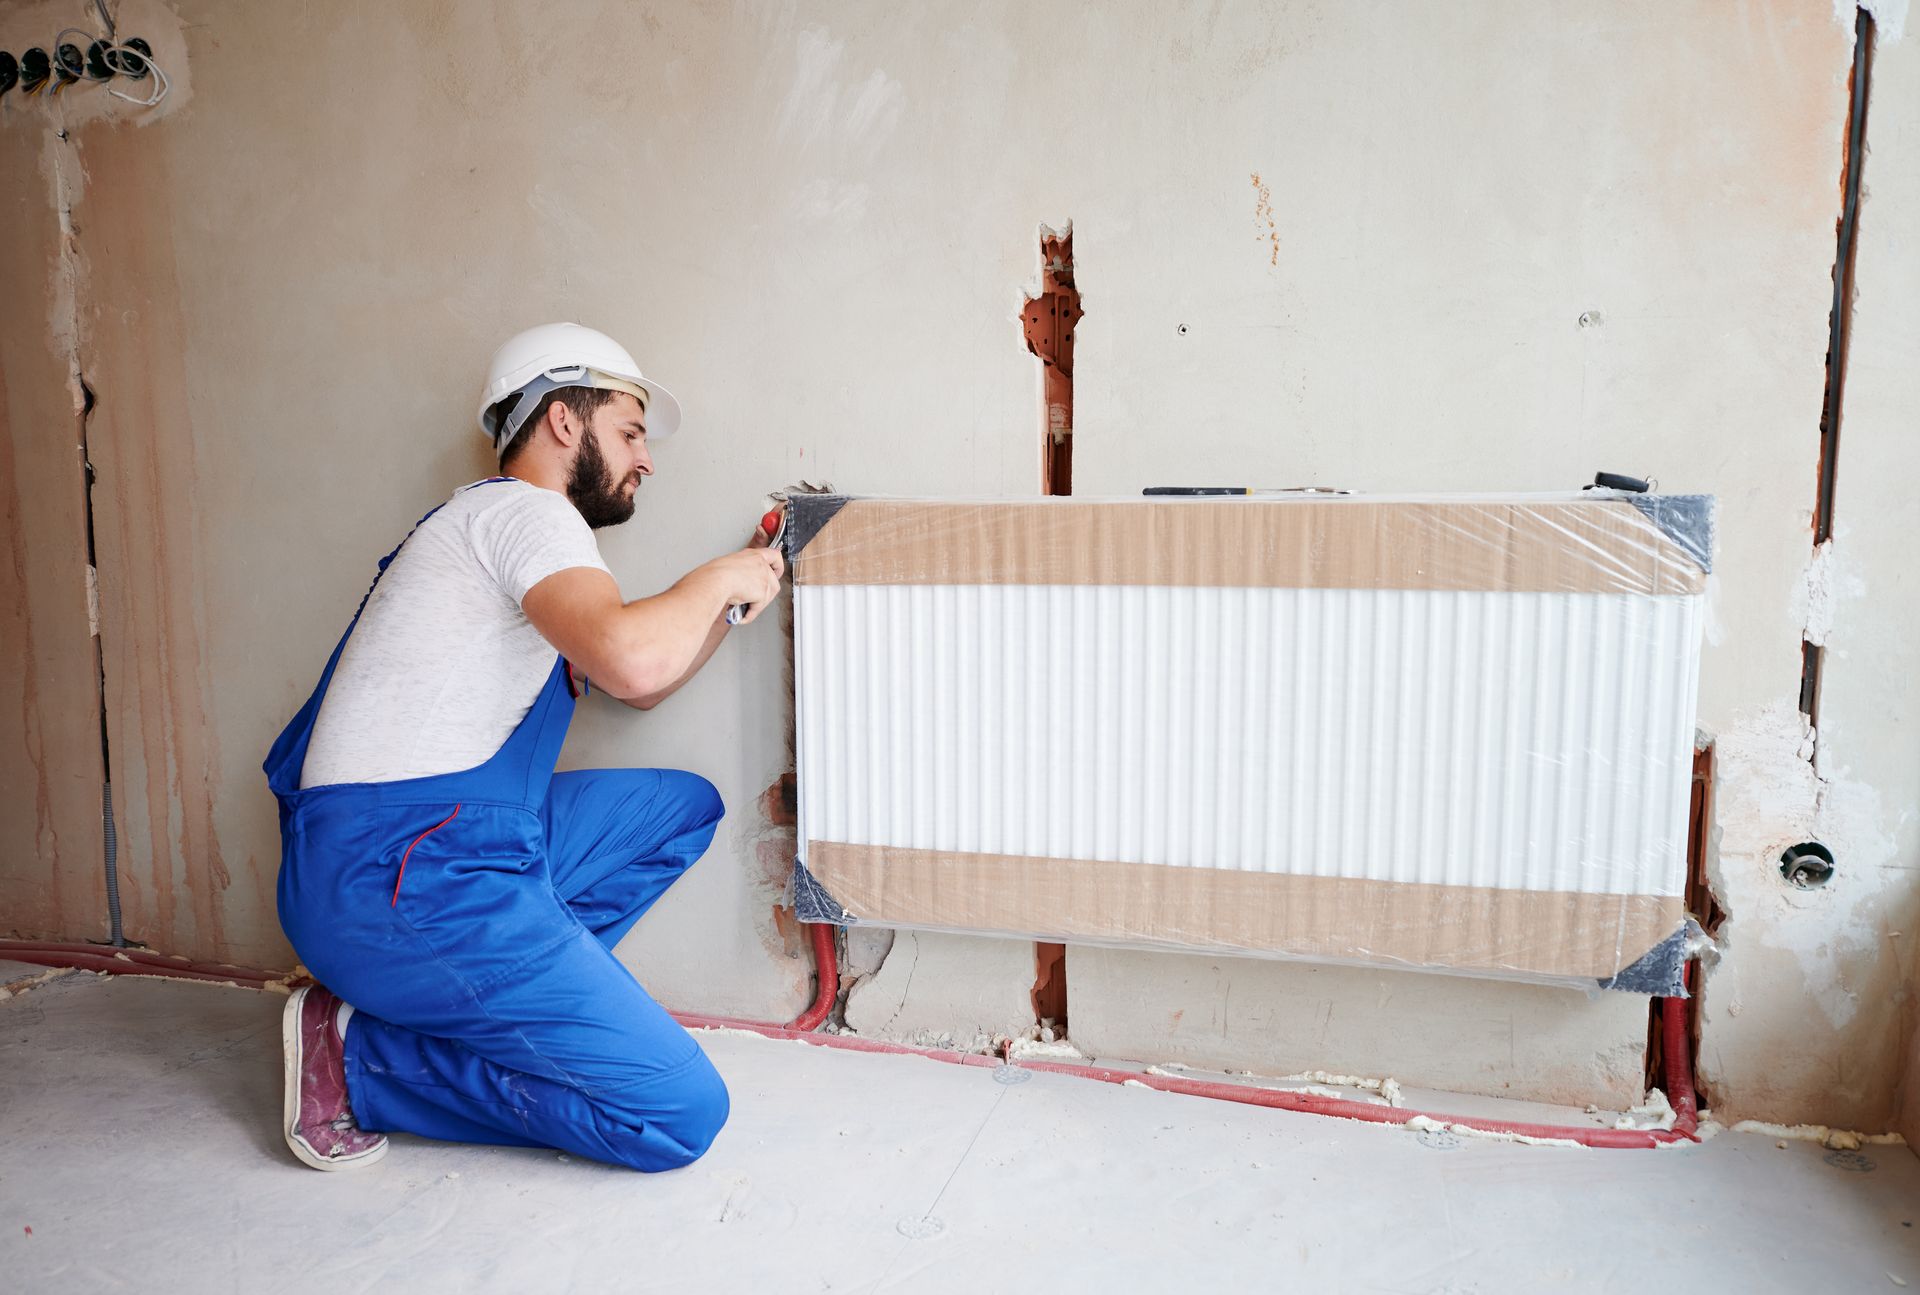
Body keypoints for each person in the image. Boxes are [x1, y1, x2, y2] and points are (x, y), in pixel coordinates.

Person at [263, 322, 784, 1172]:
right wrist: (718, 576)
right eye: (630, 430)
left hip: (415, 856)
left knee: (679, 809)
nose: (645, 459)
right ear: (563, 423)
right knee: (681, 1113)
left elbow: (639, 681)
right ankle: (363, 1060)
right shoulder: (528, 515)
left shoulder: (503, 535)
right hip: (402, 881)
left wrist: (731, 596)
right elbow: (630, 653)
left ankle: (485, 998)